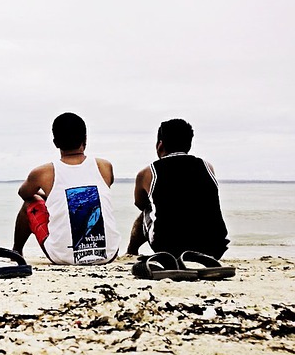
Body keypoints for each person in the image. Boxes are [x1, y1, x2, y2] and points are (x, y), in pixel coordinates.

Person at [12, 113, 120, 265]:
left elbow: (24, 193)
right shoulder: (104, 166)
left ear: (55, 142)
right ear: (85, 139)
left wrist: (46, 196)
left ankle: (16, 251)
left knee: (30, 203)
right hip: (108, 254)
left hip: (64, 256)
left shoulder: (43, 172)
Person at [126, 119, 229, 259]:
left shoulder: (147, 173)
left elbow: (140, 204)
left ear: (160, 145)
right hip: (214, 247)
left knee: (147, 210)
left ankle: (131, 251)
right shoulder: (207, 167)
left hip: (169, 248)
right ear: (189, 144)